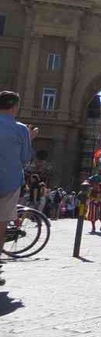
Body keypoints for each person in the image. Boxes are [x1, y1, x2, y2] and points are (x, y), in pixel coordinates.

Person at [0, 91, 37, 286]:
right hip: (8, 182)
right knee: (1, 225)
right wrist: (29, 138)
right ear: (15, 107)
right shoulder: (21, 129)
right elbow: (25, 159)